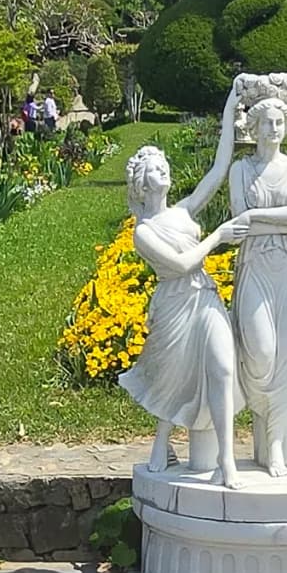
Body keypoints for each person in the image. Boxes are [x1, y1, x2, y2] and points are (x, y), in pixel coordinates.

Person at [118, 136, 244, 482]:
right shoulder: (142, 232)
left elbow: (217, 173)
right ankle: (162, 439)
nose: (165, 171)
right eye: (156, 169)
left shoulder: (183, 211)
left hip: (205, 297)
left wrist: (231, 110)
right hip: (175, 303)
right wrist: (218, 236)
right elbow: (181, 263)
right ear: (142, 183)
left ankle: (227, 461)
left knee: (222, 369)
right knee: (172, 377)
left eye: (165, 167)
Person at [226, 73, 287, 477]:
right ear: (252, 126)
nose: (274, 128)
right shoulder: (240, 171)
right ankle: (262, 425)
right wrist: (264, 220)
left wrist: (256, 216)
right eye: (266, 122)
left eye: (281, 122)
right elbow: (238, 223)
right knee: (260, 354)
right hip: (255, 268)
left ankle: (279, 439)